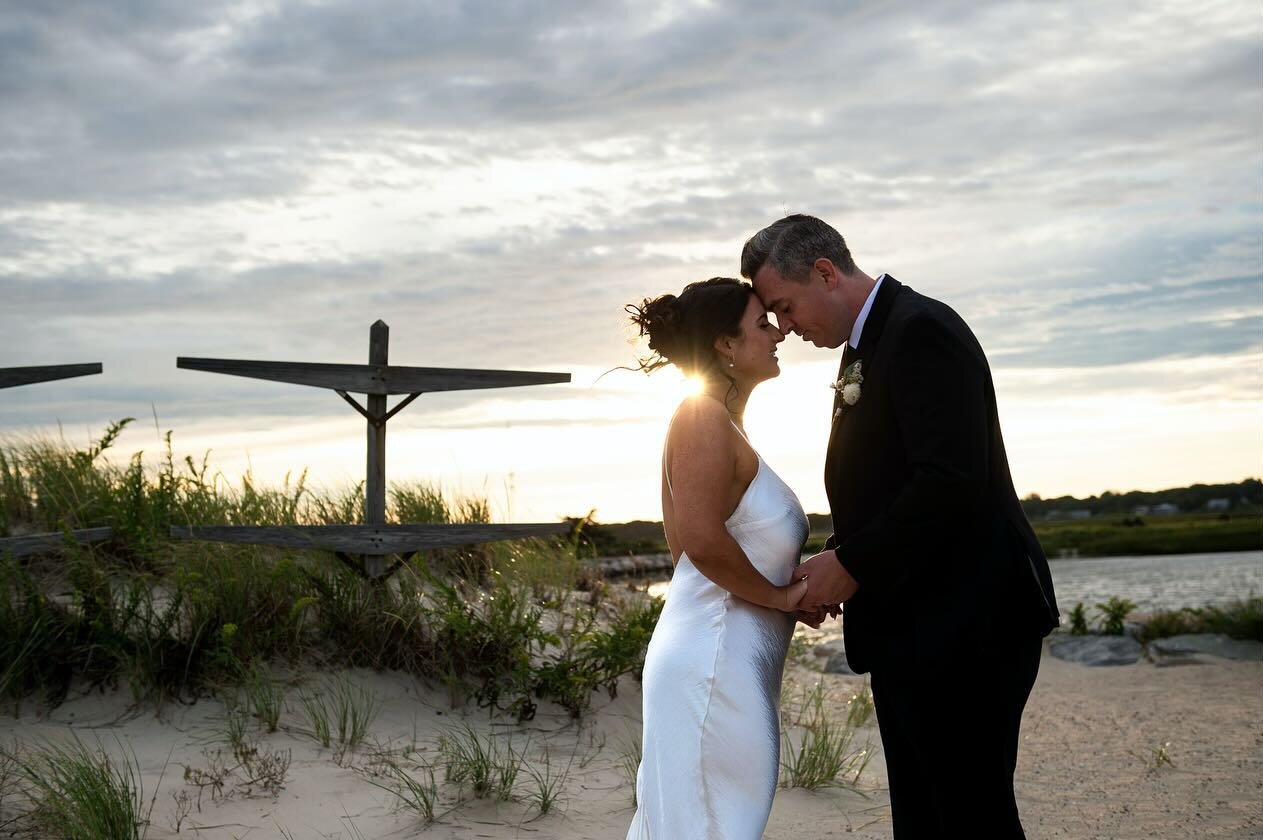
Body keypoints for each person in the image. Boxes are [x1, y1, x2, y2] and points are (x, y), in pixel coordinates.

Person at [742, 214, 1060, 838]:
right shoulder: (871, 340)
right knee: (924, 816)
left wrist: (853, 565)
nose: (783, 326)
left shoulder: (921, 330)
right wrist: (839, 560)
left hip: (969, 627)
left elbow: (952, 482)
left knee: (971, 816)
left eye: (784, 305)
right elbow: (887, 485)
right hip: (916, 626)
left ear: (825, 273)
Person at [623, 277, 817, 840]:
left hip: (726, 655)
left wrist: (783, 594)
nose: (779, 332)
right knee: (713, 825)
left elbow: (695, 550)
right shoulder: (701, 417)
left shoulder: (723, 426)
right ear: (725, 346)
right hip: (713, 662)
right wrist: (778, 598)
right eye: (763, 324)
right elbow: (700, 544)